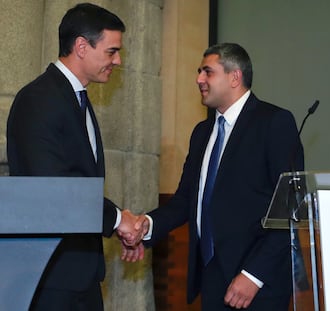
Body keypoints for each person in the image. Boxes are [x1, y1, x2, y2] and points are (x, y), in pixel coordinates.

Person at [121, 43, 304, 310]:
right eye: (199, 72)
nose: (199, 79)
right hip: (211, 277)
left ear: (234, 77)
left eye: (208, 72)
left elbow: (289, 209)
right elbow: (185, 200)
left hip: (259, 282)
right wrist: (147, 225)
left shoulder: (274, 122)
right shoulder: (202, 132)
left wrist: (253, 275)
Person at [7, 3, 144, 310]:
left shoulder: (75, 97)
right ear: (82, 46)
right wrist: (119, 220)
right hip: (51, 276)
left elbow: (79, 180)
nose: (118, 61)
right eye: (111, 51)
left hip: (80, 274)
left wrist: (116, 222)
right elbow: (54, 188)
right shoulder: (39, 100)